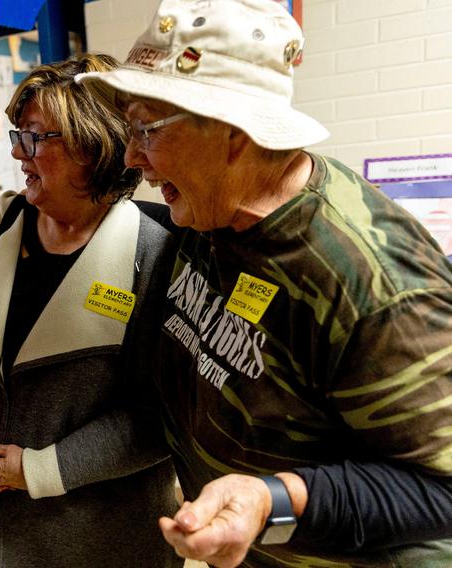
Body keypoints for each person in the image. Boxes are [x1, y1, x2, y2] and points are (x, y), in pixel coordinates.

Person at [76, 0, 452, 566]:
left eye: (144, 129)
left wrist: (271, 500)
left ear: (232, 133)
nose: (132, 156)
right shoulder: (211, 212)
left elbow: (440, 487)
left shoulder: (376, 285)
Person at [0, 54, 180, 567]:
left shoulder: (157, 252)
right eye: (18, 134)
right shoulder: (0, 227)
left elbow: (165, 412)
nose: (19, 154)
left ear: (94, 147)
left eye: (36, 138)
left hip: (98, 535)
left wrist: (40, 469)